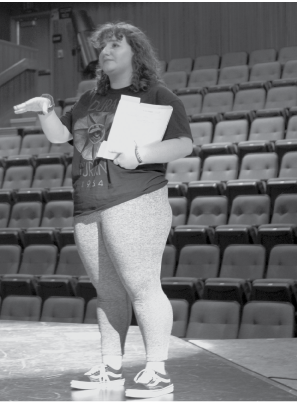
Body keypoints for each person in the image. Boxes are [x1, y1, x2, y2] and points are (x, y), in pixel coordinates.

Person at [13, 21, 193, 399]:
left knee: (142, 288)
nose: (106, 52)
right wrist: (45, 108)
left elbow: (182, 145)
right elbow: (62, 136)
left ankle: (156, 370)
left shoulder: (156, 94)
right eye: (103, 47)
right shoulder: (88, 99)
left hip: (135, 199)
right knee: (108, 293)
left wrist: (140, 154)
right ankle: (110, 367)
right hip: (88, 204)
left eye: (115, 45)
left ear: (135, 52)